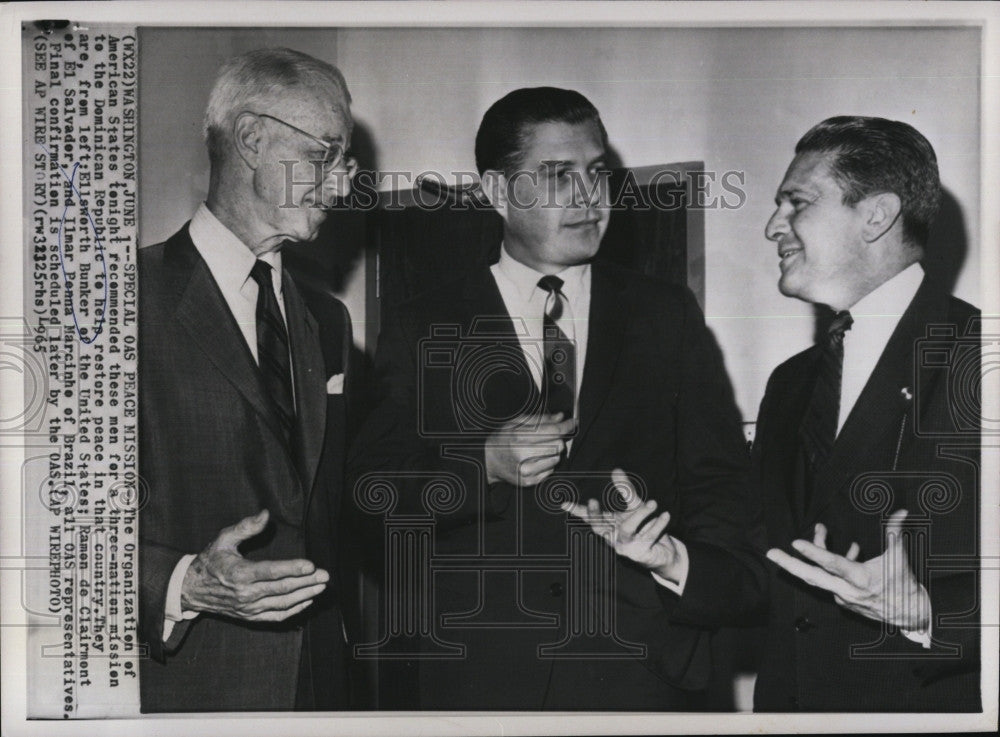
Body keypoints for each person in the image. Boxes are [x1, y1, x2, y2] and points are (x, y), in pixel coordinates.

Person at [347, 87, 766, 710]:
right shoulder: (422, 322)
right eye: (556, 176)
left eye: (596, 174)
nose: (589, 198)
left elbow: (722, 489)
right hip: (480, 679)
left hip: (642, 672)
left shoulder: (665, 314)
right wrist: (481, 465)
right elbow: (370, 496)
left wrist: (681, 571)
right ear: (497, 193)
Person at [138, 48, 357, 711]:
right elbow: (48, 533)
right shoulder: (116, 301)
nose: (344, 186)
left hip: (325, 686)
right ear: (254, 139)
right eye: (327, 156)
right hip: (195, 689)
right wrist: (186, 583)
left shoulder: (328, 317)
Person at [751, 116, 981, 711]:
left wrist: (928, 612)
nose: (773, 225)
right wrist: (674, 560)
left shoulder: (980, 359)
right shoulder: (790, 384)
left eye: (795, 202)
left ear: (876, 215)